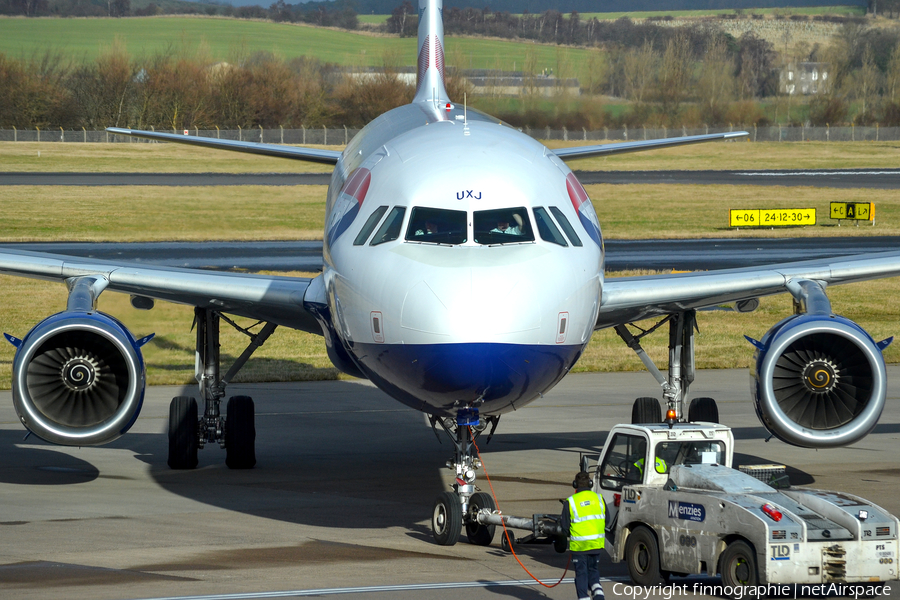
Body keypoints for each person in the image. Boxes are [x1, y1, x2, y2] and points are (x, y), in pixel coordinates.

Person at [561, 471, 605, 600]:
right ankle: (599, 596)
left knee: (581, 575)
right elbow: (606, 520)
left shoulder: (570, 502)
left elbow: (564, 527)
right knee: (594, 573)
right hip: (596, 545)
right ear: (590, 484)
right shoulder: (599, 499)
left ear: (575, 485)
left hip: (579, 547)